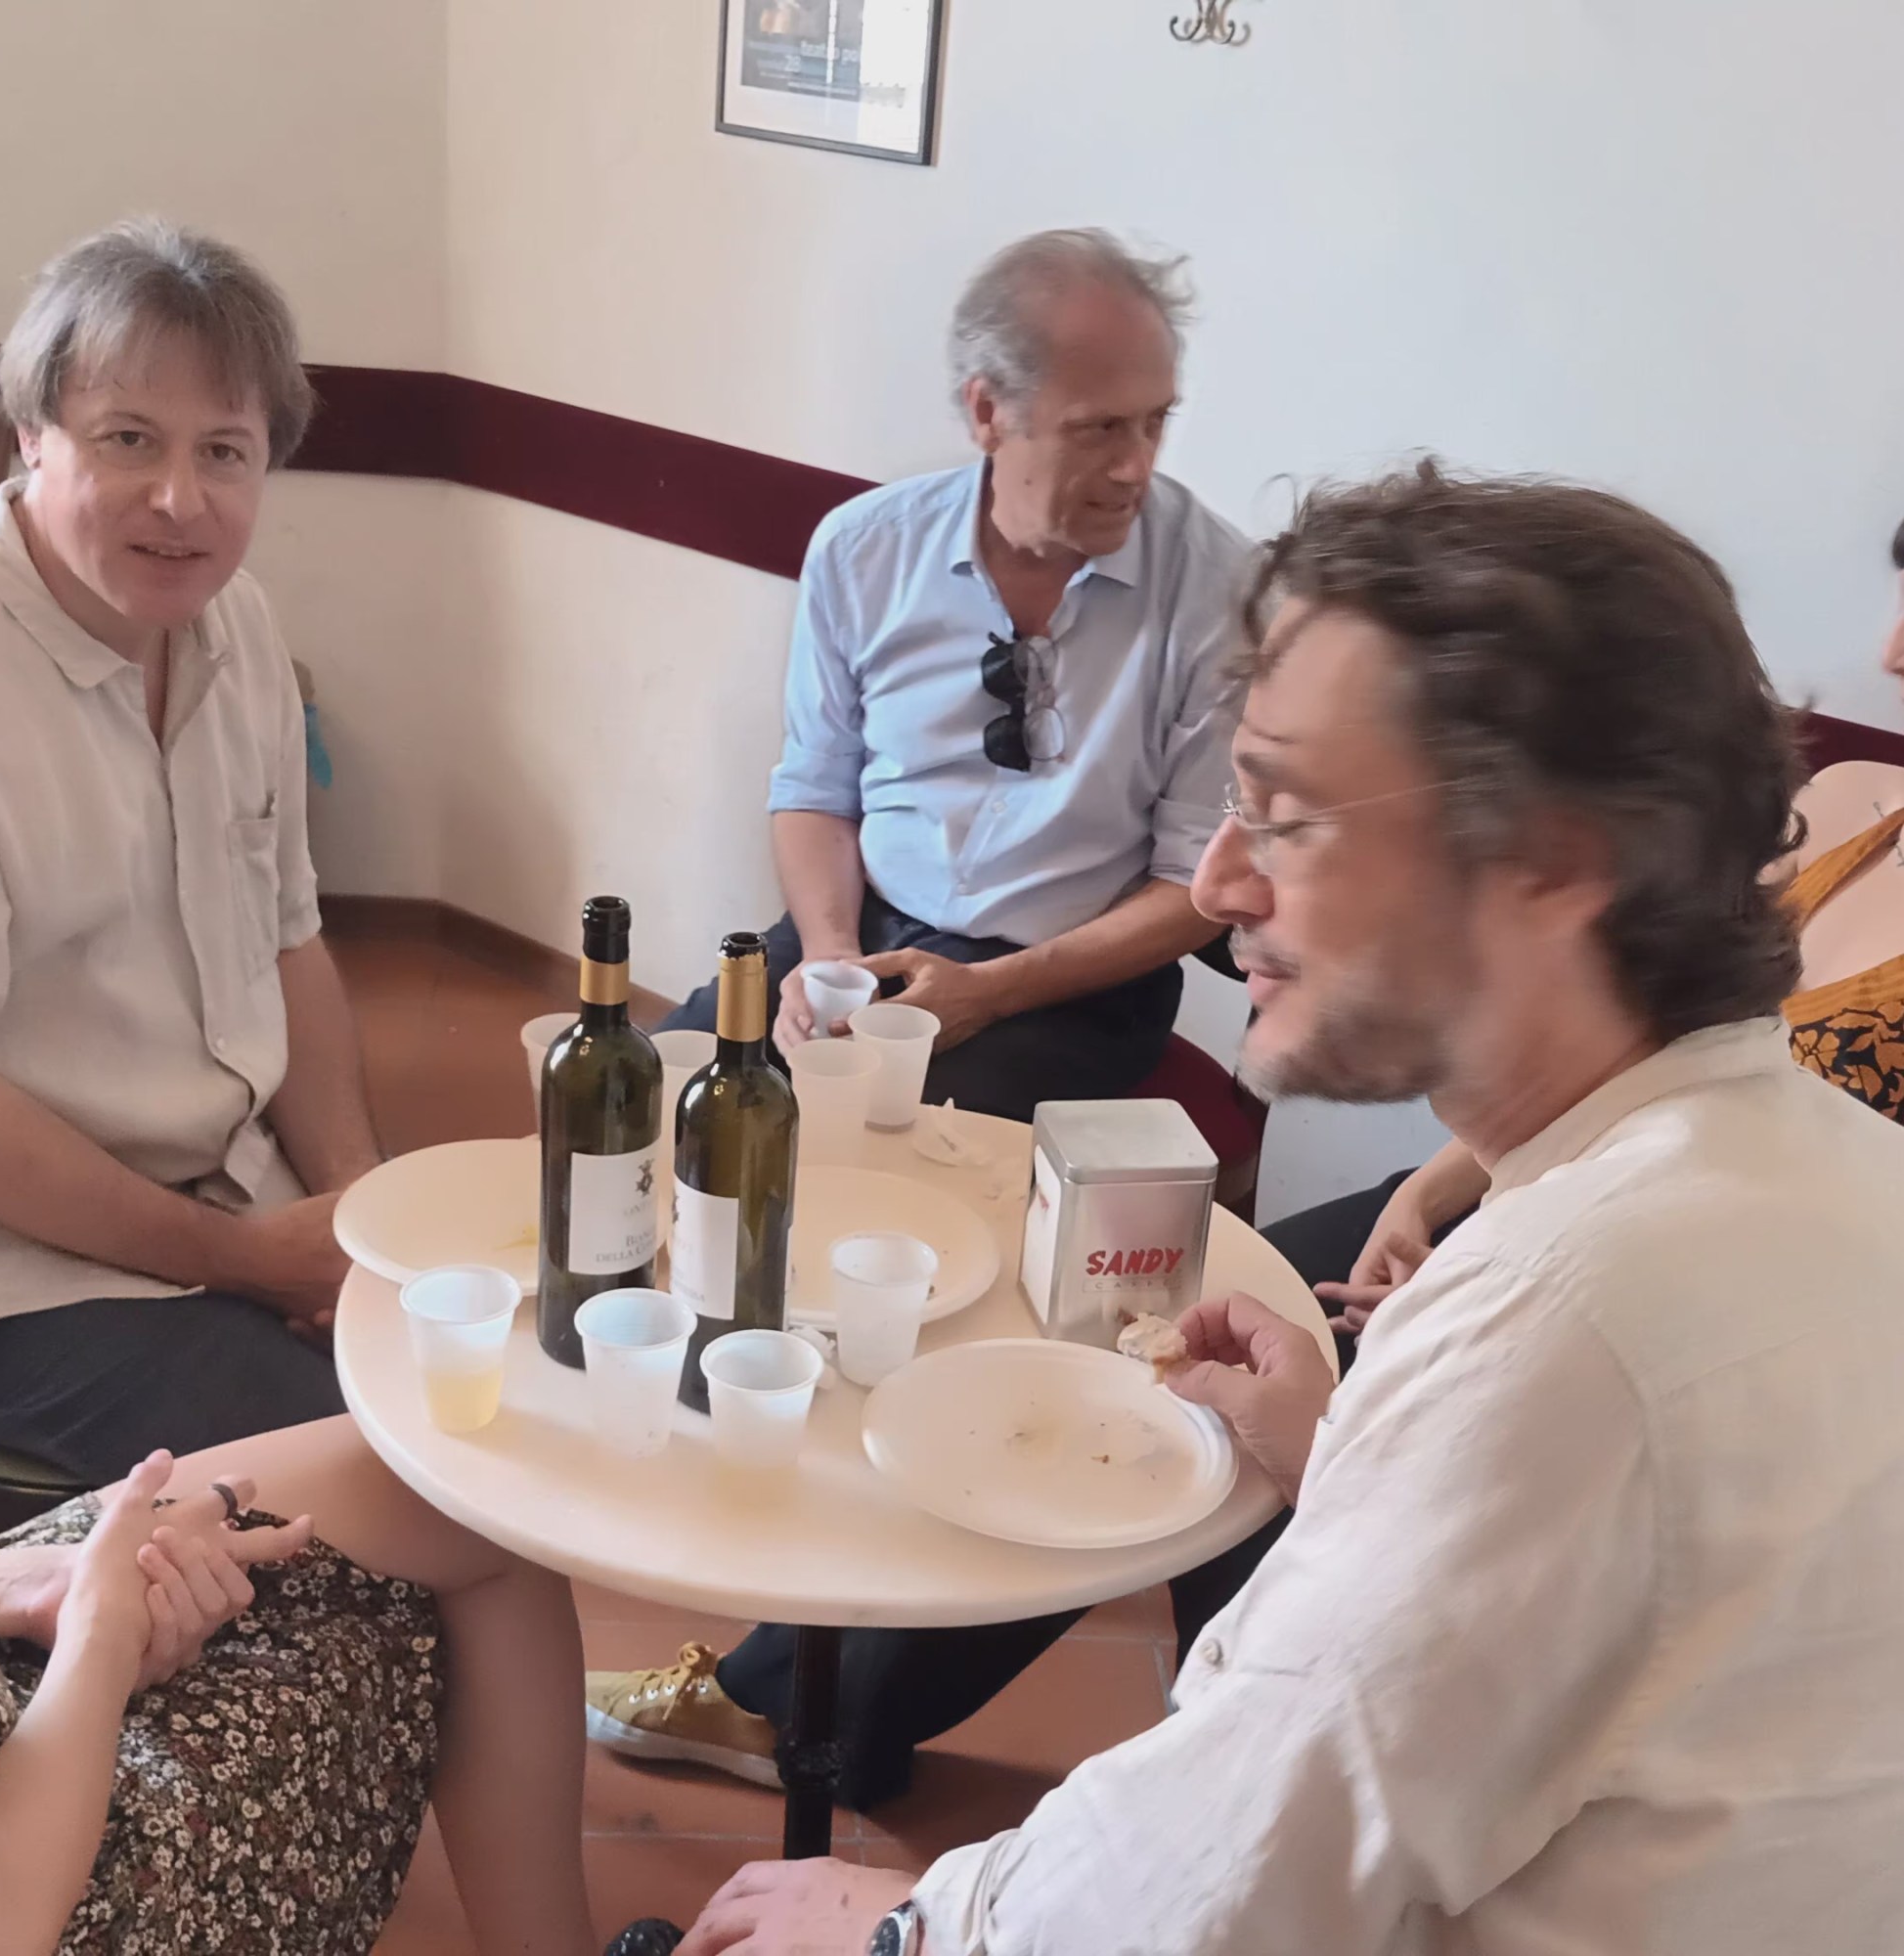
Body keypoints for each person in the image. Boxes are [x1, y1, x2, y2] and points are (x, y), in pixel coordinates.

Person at [645, 465, 1904, 1954]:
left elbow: (1186, 1905)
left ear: (1555, 860)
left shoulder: (1562, 1322)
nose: (1218, 882)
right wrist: (1346, 1454)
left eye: (1286, 814)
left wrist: (906, 1923)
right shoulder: (1823, 1167)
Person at [0, 220, 376, 1482]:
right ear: (33, 434)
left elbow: (289, 939)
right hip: (9, 1268)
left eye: (223, 451)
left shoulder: (235, 621)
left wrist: (361, 1219)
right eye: (129, 438)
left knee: (492, 1394)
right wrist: (248, 1260)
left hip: (234, 1188)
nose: (182, 499)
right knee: (390, 1480)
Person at [657, 229, 1242, 1123]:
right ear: (988, 411)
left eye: (1155, 421)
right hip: (866, 930)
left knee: (871, 1148)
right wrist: (829, 958)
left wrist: (994, 991)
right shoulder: (864, 549)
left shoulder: (1221, 590)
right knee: (658, 1093)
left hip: (1071, 983)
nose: (1137, 466)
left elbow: (1198, 885)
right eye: (1099, 428)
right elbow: (816, 787)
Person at [1291, 507, 1904, 1337]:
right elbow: (1635, 1045)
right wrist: (1426, 1199)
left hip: (1727, 1311)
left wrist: (1505, 1291)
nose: (1891, 654)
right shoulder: (1848, 795)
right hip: (1552, 1192)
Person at [0, 1413, 601, 1953]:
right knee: (477, 1527)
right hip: (38, 1865)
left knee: (471, 1493)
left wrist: (22, 1583)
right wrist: (102, 1629)